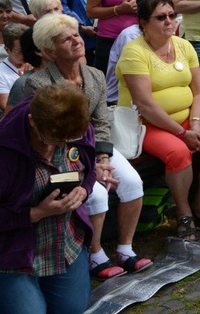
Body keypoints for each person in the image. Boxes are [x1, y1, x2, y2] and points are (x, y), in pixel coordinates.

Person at [25, 14, 152, 279]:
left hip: (94, 146)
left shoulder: (93, 75)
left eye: (75, 34)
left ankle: (125, 249)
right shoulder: (38, 83)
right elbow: (48, 132)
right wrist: (92, 166)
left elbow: (102, 119)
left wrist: (103, 158)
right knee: (96, 193)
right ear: (49, 50)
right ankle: (95, 255)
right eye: (66, 39)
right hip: (61, 153)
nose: (76, 40)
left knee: (131, 182)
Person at [117, 0, 200, 240]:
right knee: (178, 152)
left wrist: (194, 123)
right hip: (147, 125)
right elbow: (145, 105)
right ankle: (184, 214)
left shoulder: (184, 45)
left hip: (187, 120)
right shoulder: (134, 52)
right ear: (144, 23)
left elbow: (199, 92)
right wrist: (183, 133)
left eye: (172, 15)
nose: (169, 21)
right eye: (161, 18)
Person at [0, 84, 97, 313]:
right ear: (32, 121)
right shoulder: (5, 151)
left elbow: (89, 170)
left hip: (64, 243)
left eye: (69, 140)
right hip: (12, 253)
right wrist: (36, 213)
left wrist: (84, 190)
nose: (61, 146)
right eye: (51, 139)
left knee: (72, 309)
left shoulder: (78, 125)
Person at [0, 23, 27, 116]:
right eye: (21, 51)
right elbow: (9, 109)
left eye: (29, 48)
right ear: (7, 50)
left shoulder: (38, 63)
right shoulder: (0, 73)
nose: (27, 54)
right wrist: (26, 81)